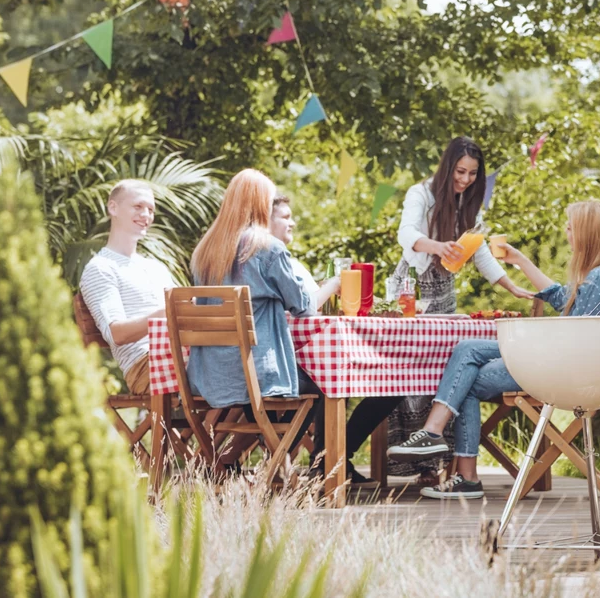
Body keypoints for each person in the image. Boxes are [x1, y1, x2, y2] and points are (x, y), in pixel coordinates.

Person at [389, 201, 600, 499]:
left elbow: (575, 336)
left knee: (466, 377)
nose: (566, 232)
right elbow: (559, 298)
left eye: (571, 227)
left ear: (587, 233)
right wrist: (520, 260)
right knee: (467, 349)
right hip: (553, 358)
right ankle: (439, 441)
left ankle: (460, 468)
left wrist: (528, 338)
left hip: (558, 368)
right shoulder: (595, 275)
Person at [386, 135, 534, 483]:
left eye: (472, 174)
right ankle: (413, 461)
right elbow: (405, 233)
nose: (465, 179)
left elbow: (480, 253)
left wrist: (511, 286)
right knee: (411, 372)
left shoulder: (469, 203)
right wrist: (439, 246)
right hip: (412, 285)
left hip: (444, 290)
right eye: (460, 171)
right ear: (447, 166)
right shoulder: (420, 194)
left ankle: (433, 464)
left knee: (441, 366)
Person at [269, 195, 401, 485]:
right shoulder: (271, 258)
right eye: (285, 216)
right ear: (265, 221)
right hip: (291, 358)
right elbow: (306, 307)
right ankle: (325, 462)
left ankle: (335, 457)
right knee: (326, 382)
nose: (292, 222)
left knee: (394, 382)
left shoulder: (292, 262)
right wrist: (335, 284)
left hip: (319, 352)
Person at [187, 169, 310, 407]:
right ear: (262, 204)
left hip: (209, 378)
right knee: (324, 386)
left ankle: (271, 443)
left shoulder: (204, 250)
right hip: (257, 378)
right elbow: (302, 306)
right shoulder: (268, 248)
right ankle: (288, 446)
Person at [80, 179, 176, 394]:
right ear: (113, 207)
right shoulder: (100, 268)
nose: (146, 215)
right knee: (232, 364)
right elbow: (116, 333)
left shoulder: (156, 267)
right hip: (146, 366)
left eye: (150, 209)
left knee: (245, 357)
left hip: (181, 354)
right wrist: (163, 313)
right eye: (138, 207)